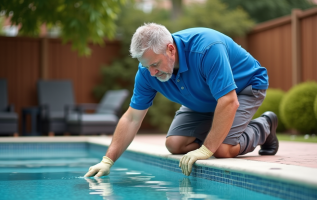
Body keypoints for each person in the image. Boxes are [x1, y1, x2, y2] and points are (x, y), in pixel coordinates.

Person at [84, 23, 279, 177]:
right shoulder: (147, 72)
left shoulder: (207, 48)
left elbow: (229, 101)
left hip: (243, 87)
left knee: (221, 149)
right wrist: (107, 160)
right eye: (146, 66)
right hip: (205, 98)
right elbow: (132, 118)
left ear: (170, 49)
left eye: (155, 64)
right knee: (175, 144)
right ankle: (223, 130)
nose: (152, 73)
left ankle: (265, 126)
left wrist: (207, 148)